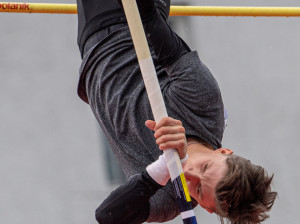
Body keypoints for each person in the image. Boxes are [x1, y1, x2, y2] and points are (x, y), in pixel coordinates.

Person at [75, 0, 277, 223]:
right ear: (223, 152)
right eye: (206, 166)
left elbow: (106, 216)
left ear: (206, 208)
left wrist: (161, 170)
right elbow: (149, 18)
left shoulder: (169, 201)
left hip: (90, 44)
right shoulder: (204, 102)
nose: (190, 173)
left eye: (198, 189)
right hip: (121, 17)